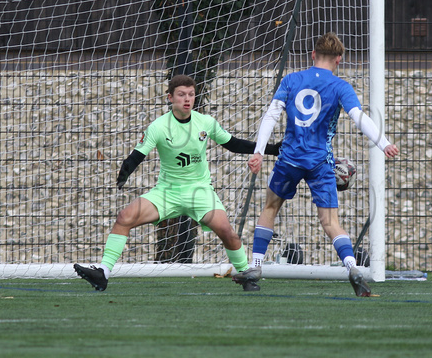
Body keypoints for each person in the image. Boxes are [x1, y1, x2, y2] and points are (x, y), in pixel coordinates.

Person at [74, 74, 281, 291]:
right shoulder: (159, 126)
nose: (187, 99)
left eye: (191, 94)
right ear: (170, 97)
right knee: (125, 217)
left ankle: (247, 276)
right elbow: (138, 154)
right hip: (167, 192)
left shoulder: (206, 123)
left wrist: (272, 149)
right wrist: (127, 169)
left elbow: (234, 144)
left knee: (228, 232)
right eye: (181, 94)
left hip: (200, 192)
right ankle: (103, 273)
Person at [233, 33, 399, 296]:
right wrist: (384, 143)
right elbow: (359, 117)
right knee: (330, 221)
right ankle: (352, 268)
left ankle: (255, 266)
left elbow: (271, 115)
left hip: (289, 158)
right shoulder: (340, 86)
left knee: (270, 207)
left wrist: (259, 152)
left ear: (313, 55)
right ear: (339, 59)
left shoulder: (291, 79)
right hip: (321, 162)